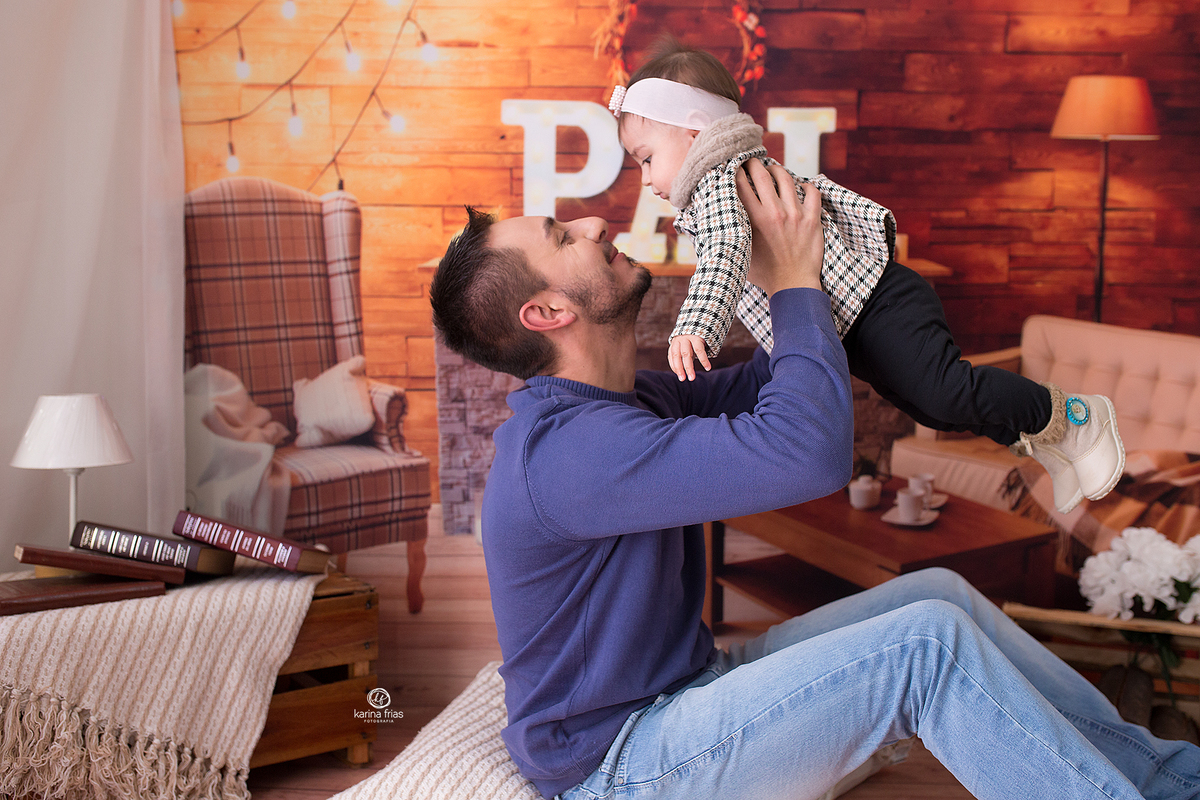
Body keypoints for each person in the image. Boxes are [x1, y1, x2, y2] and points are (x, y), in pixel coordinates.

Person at [429, 159, 1199, 800]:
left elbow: (780, 380)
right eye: (563, 236)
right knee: (924, 648)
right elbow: (808, 450)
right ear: (547, 312)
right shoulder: (568, 453)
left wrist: (821, 278)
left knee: (940, 595)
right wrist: (793, 280)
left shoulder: (621, 403)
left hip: (688, 687)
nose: (595, 223)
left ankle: (1171, 782)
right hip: (624, 762)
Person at [610, 40, 1122, 516]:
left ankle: (1074, 416)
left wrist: (695, 325)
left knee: (945, 393)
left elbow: (726, 251)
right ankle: (1049, 442)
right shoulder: (723, 182)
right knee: (933, 408)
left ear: (695, 133)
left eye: (647, 159)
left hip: (880, 303)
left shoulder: (720, 179)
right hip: (856, 323)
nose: (647, 179)